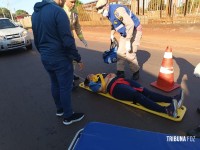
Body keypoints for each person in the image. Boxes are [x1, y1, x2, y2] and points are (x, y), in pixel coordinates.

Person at [31, 0, 84, 125]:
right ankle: (68, 116)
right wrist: (77, 57)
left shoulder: (35, 14)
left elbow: (36, 39)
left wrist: (43, 52)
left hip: (46, 56)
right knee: (65, 87)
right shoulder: (58, 11)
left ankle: (60, 109)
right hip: (60, 57)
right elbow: (67, 39)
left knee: (55, 83)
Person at [84, 73, 185, 118]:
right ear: (88, 81)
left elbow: (112, 74)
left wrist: (108, 77)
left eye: (89, 74)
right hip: (114, 88)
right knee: (137, 96)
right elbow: (102, 90)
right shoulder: (92, 85)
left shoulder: (99, 74)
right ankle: (168, 110)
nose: (90, 75)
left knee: (145, 91)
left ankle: (172, 99)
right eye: (88, 76)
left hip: (121, 81)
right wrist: (107, 79)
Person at [95, 0, 142, 80]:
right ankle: (120, 73)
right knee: (120, 53)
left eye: (102, 11)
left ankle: (136, 72)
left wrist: (128, 41)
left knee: (129, 54)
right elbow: (114, 24)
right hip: (125, 33)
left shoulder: (117, 11)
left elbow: (130, 24)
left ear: (106, 5)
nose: (102, 14)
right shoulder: (108, 13)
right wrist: (112, 34)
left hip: (134, 30)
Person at [63, 0, 88, 85]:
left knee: (73, 58)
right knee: (65, 59)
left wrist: (82, 39)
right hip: (61, 38)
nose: (73, 4)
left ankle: (71, 75)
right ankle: (69, 81)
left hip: (70, 36)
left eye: (74, 2)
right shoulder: (60, 10)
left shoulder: (74, 10)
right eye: (71, 2)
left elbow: (77, 26)